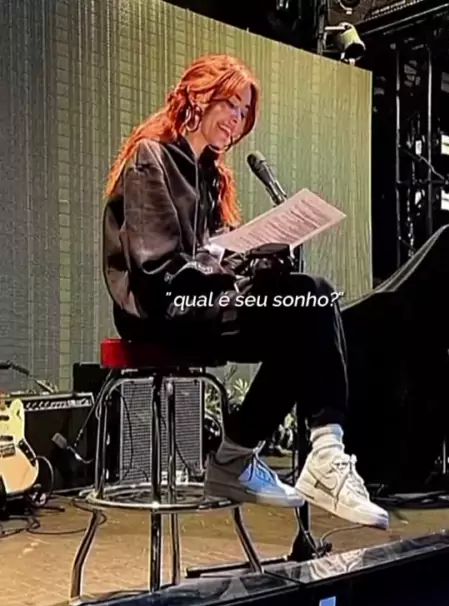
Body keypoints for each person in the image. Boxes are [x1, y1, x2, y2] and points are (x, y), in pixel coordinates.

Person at [102, 53, 389, 529]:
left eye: (243, 112)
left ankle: (261, 453)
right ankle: (292, 457)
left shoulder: (211, 176)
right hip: (163, 308)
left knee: (310, 299)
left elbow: (219, 255)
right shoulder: (152, 157)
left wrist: (260, 260)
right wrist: (225, 263)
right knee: (309, 301)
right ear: (199, 96)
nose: (236, 119)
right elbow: (157, 269)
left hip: (200, 301)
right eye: (230, 104)